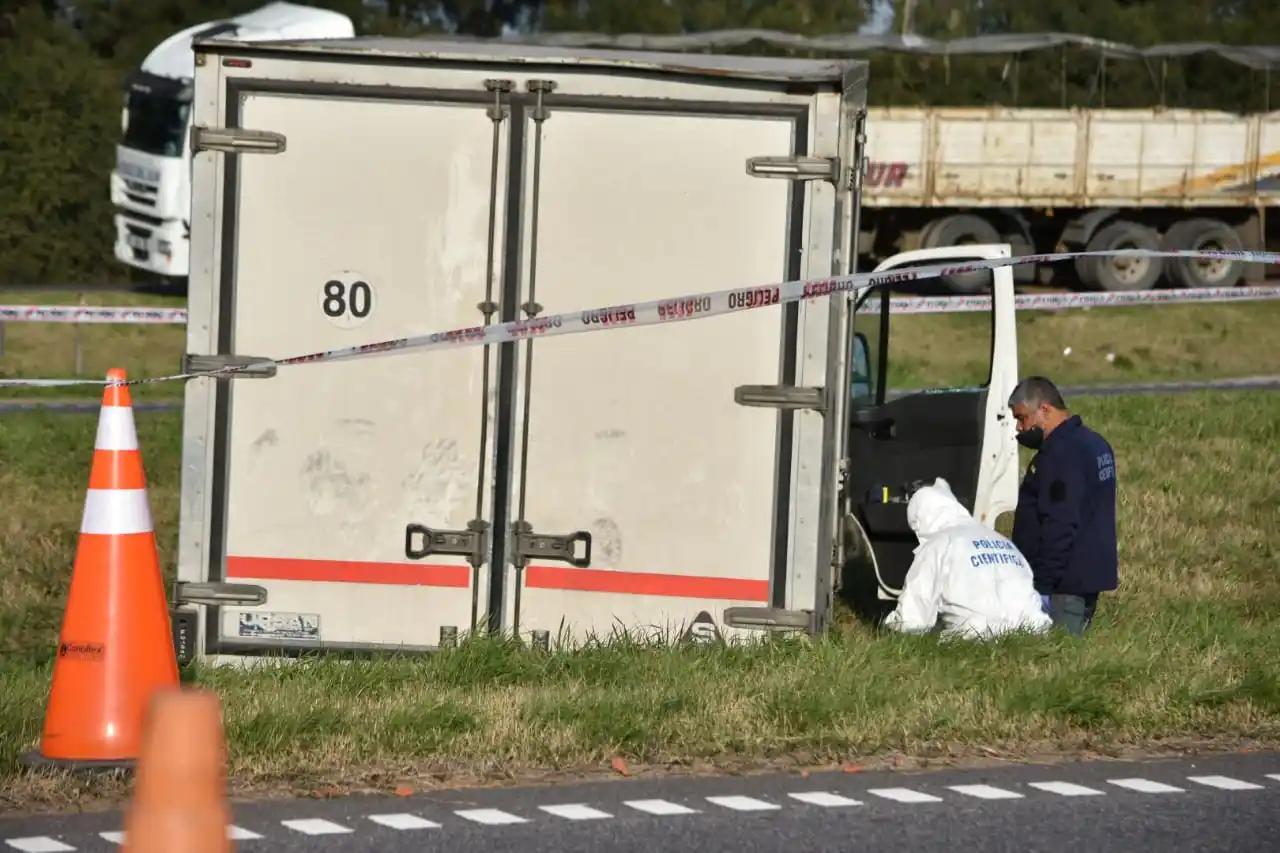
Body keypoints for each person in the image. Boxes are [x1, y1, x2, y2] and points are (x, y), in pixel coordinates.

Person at [1008, 376, 1118, 637]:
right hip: (1088, 577)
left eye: (1022, 419)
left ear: (1044, 410)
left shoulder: (1060, 455)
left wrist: (1042, 587)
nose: (1020, 429)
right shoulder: (1094, 443)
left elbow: (1060, 523)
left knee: (1055, 661)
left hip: (1063, 586)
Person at [883, 478, 1053, 640]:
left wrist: (887, 629)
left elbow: (912, 621)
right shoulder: (1001, 540)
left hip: (973, 639)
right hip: (1033, 636)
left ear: (920, 520)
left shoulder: (937, 546)